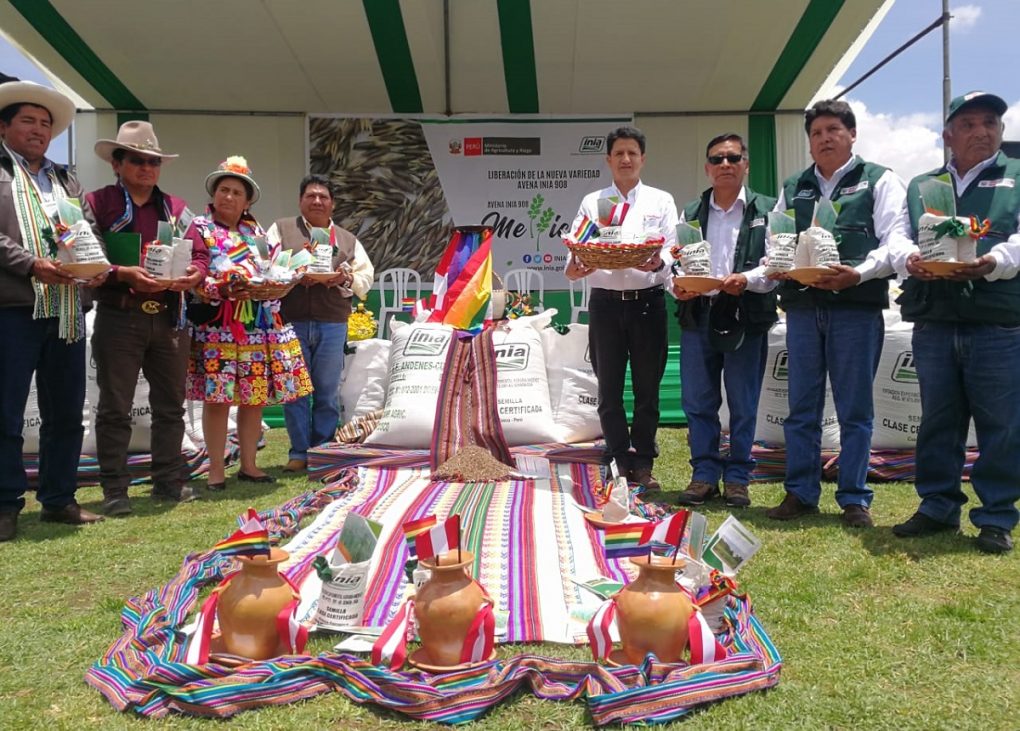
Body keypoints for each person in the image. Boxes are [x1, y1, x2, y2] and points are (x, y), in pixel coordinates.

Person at [765, 99, 913, 528]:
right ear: (809, 142)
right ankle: (801, 492)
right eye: (816, 133)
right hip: (803, 309)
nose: (825, 139)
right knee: (801, 407)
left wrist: (859, 273)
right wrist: (778, 264)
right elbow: (777, 239)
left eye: (833, 130)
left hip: (855, 309)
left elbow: (894, 242)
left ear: (852, 134)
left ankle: (854, 498)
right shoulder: (794, 187)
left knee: (855, 409)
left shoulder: (879, 180)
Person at [893, 91, 1020, 554]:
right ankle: (938, 506)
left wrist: (994, 261)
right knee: (938, 420)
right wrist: (910, 259)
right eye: (968, 124)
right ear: (948, 136)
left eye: (990, 123)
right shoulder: (921, 185)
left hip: (997, 322)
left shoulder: (1017, 176)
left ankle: (996, 516)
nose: (981, 132)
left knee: (1001, 424)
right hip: (936, 320)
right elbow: (898, 238)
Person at [0, 80, 106, 541]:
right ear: (3, 127)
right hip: (14, 307)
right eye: (28, 120)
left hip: (66, 307)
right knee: (5, 410)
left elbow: (86, 230)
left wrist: (96, 265)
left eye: (45, 123)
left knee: (65, 409)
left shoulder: (65, 179)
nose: (39, 130)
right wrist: (31, 264)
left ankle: (59, 499)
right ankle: (5, 504)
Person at [86, 121, 206, 516]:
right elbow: (87, 253)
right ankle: (115, 489)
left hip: (169, 317)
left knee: (170, 405)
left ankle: (169, 481)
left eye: (153, 161)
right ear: (116, 163)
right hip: (120, 315)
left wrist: (195, 274)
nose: (146, 168)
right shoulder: (97, 202)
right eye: (137, 160)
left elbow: (200, 251)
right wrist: (122, 273)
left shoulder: (175, 208)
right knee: (115, 406)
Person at [183, 156, 313, 490]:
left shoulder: (256, 232)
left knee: (253, 397)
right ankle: (215, 468)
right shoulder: (200, 228)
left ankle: (249, 465)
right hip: (218, 326)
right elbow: (193, 274)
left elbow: (270, 267)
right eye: (223, 190)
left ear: (247, 202)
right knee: (218, 399)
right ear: (214, 194)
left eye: (236, 192)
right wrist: (220, 289)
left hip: (257, 325)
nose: (228, 197)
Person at [566, 126, 677, 490]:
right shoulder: (592, 202)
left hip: (648, 304)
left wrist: (660, 262)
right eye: (619, 154)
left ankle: (643, 462)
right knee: (608, 390)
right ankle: (617, 459)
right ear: (608, 160)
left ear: (642, 159)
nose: (626, 159)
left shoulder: (660, 201)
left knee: (648, 389)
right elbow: (579, 246)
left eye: (632, 153)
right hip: (605, 306)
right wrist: (574, 266)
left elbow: (671, 249)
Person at [673, 133, 777, 509]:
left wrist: (746, 279)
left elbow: (776, 263)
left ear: (746, 165)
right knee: (698, 400)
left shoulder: (768, 210)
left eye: (733, 158)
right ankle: (704, 475)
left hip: (745, 313)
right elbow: (675, 262)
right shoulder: (691, 212)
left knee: (743, 401)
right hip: (699, 314)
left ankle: (737, 478)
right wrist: (678, 287)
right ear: (707, 168)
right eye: (717, 159)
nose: (725, 165)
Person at [267, 174, 374, 473]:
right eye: (310, 196)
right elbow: (267, 263)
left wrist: (345, 277)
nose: (317, 201)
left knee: (327, 392)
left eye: (323, 197)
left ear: (332, 204)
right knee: (296, 391)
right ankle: (299, 453)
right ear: (300, 200)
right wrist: (293, 273)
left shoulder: (347, 239)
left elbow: (366, 277)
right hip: (291, 322)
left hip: (332, 322)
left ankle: (323, 450)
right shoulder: (281, 229)